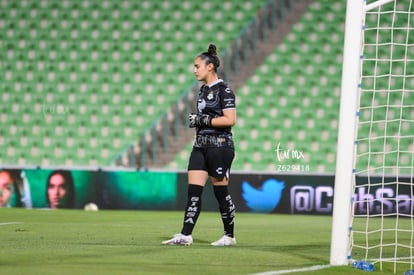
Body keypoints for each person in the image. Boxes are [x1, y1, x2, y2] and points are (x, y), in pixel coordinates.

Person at [162, 44, 237, 246]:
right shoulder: (203, 91)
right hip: (201, 146)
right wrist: (198, 121)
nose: (194, 70)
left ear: (210, 66)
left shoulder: (225, 90)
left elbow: (230, 119)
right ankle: (186, 235)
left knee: (221, 193)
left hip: (220, 146)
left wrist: (202, 120)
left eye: (197, 66)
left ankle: (229, 236)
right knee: (193, 191)